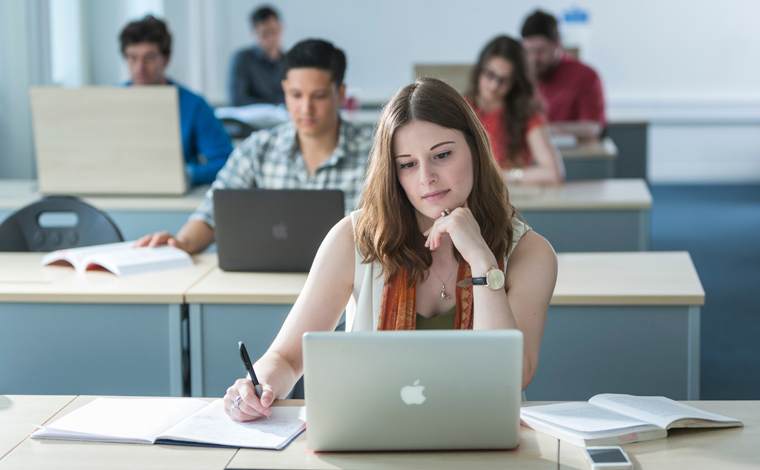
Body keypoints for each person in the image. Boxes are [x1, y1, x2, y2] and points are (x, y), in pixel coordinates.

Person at [223, 78, 557, 422]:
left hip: (482, 437)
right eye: (407, 164)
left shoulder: (529, 253)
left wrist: (483, 261)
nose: (426, 177)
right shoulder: (354, 238)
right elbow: (288, 358)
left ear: (475, 150)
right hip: (372, 433)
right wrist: (257, 385)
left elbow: (509, 379)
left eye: (442, 155)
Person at [136, 39, 372, 254]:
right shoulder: (258, 149)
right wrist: (181, 243)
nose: (306, 108)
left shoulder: (375, 155)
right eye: (296, 95)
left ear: (340, 94)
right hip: (265, 283)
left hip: (347, 288)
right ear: (284, 90)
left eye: (319, 96)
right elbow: (212, 213)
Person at [120, 15, 233, 186]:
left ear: (166, 59)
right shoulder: (110, 101)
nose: (139, 68)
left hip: (171, 200)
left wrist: (188, 175)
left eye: (149, 58)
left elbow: (225, 161)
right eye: (132, 58)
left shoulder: (194, 105)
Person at [467, 35, 565, 185]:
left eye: (504, 80)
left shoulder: (526, 113)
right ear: (479, 70)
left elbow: (553, 174)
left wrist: (504, 175)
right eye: (490, 74)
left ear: (516, 83)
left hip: (507, 197)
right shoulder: (459, 106)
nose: (494, 86)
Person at [521, 10, 606, 139]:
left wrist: (543, 130)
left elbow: (592, 128)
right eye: (529, 51)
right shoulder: (520, 74)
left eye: (540, 51)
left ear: (557, 44)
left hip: (573, 154)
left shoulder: (586, 76)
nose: (534, 58)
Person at [228, 6, 285, 106]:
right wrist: (274, 104)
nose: (271, 38)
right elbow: (237, 99)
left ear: (280, 28)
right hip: (250, 120)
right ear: (255, 33)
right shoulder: (243, 59)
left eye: (274, 31)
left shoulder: (289, 61)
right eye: (265, 34)